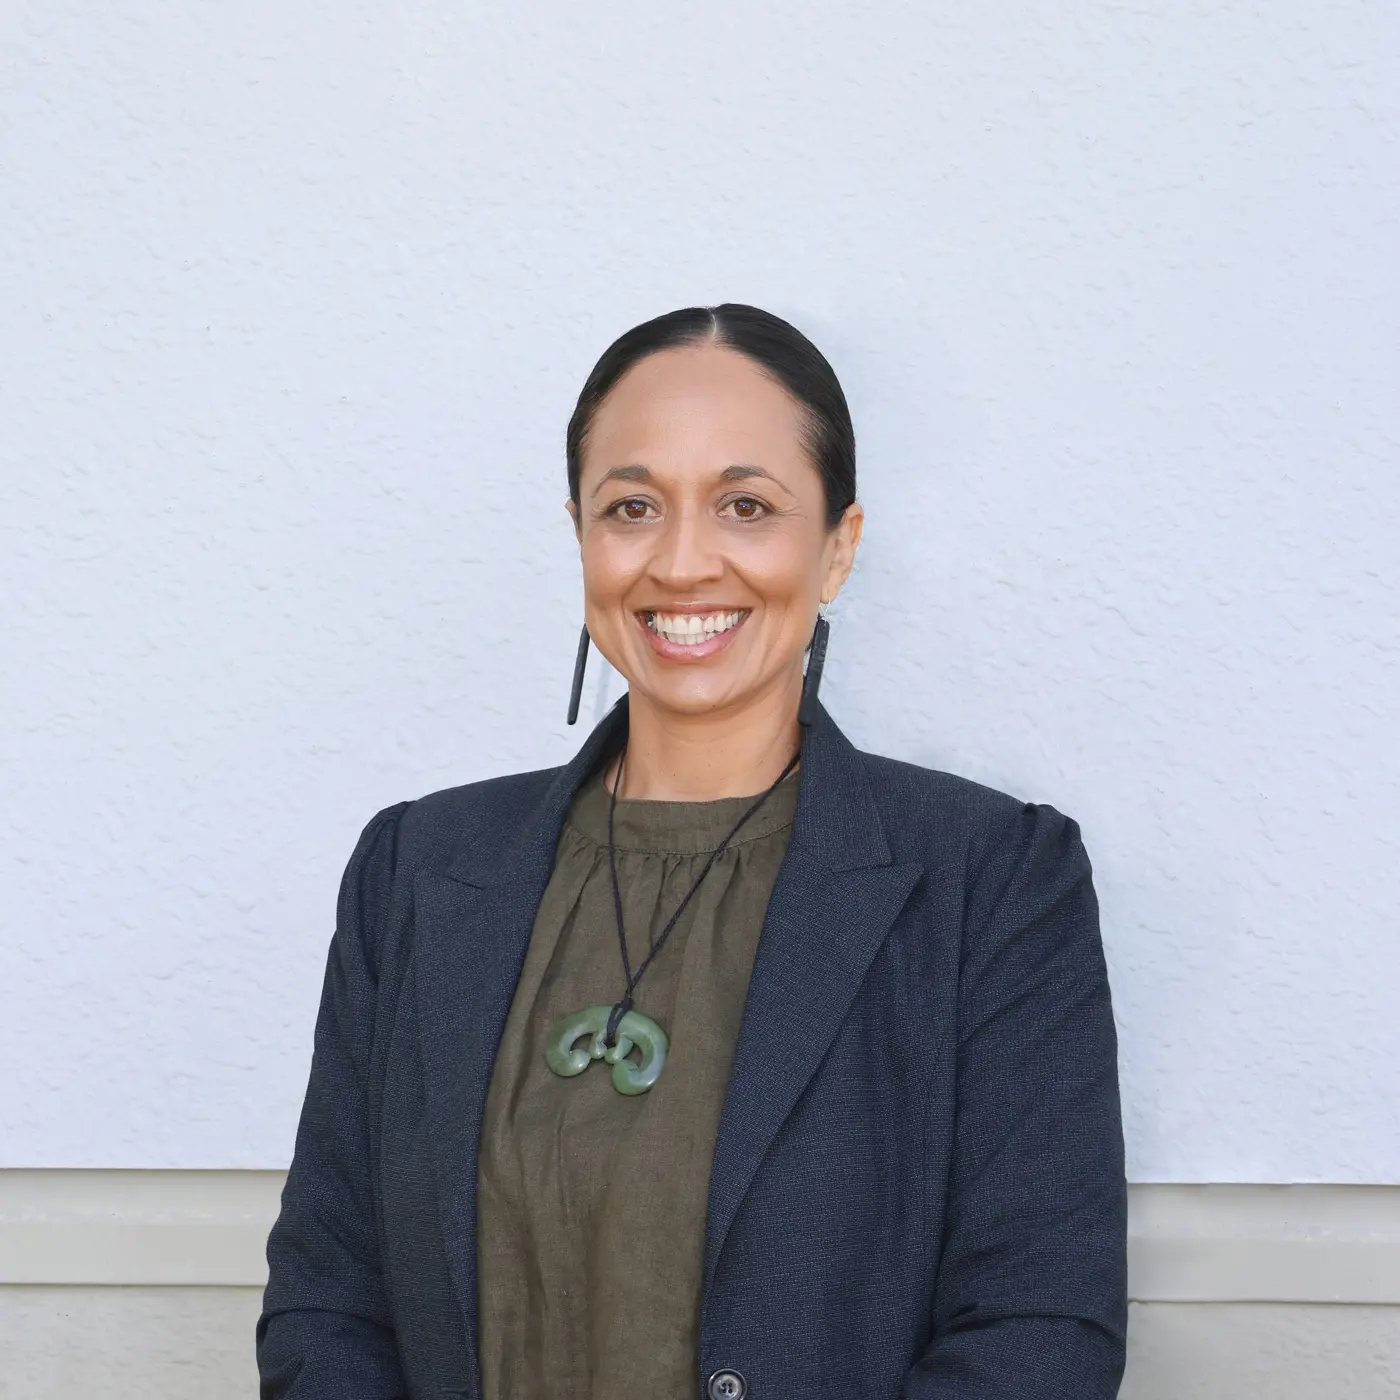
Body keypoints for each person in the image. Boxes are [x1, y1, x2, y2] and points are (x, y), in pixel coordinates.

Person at [257, 303, 1128, 1400]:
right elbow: (327, 1295)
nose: (680, 561)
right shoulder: (416, 871)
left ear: (836, 549)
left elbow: (1037, 1327)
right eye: (630, 506)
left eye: (745, 505)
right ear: (580, 534)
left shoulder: (995, 881)